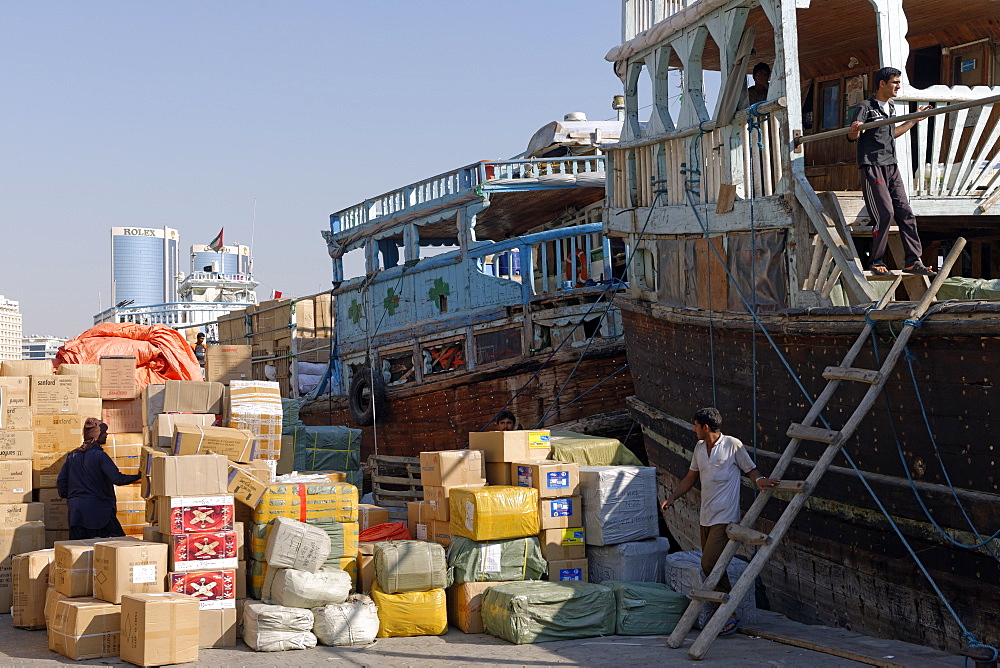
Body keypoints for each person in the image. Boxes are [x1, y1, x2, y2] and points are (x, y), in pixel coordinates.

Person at [660, 407, 779, 636]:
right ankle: (726, 611)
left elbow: (751, 470)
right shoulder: (698, 448)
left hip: (726, 516)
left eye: (695, 425)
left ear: (705, 427)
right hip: (706, 515)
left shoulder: (733, 444)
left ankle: (727, 611)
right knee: (713, 565)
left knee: (708, 562)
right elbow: (690, 477)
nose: (693, 429)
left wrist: (761, 480)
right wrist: (672, 498)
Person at [847, 67, 935, 276]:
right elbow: (852, 137)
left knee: (905, 212)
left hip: (891, 166)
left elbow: (891, 134)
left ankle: (913, 261)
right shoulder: (865, 107)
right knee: (885, 213)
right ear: (882, 84)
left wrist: (913, 120)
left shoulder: (891, 108)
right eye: (895, 82)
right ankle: (876, 259)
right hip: (872, 165)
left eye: (898, 82)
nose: (898, 86)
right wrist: (855, 130)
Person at [57, 418, 142, 539]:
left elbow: (61, 482)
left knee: (78, 549)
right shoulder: (100, 456)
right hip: (99, 514)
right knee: (118, 545)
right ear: (96, 435)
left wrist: (74, 498)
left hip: (76, 514)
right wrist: (139, 476)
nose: (106, 434)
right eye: (104, 432)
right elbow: (117, 479)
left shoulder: (72, 456)